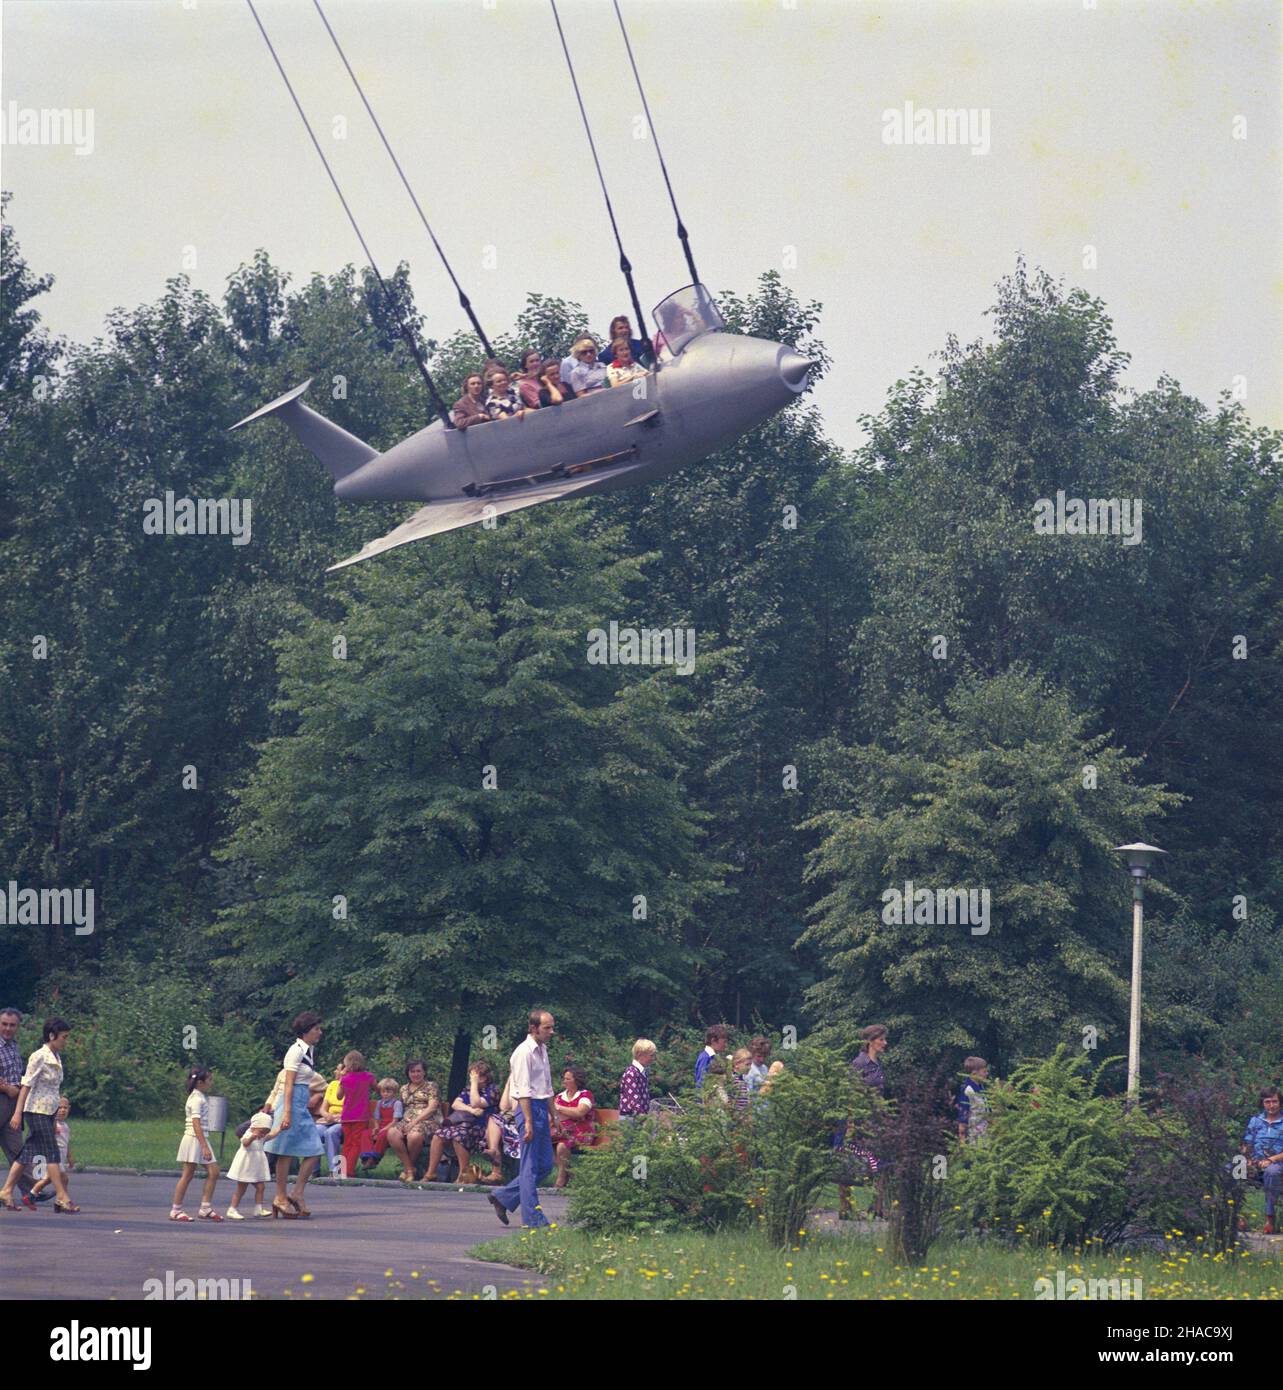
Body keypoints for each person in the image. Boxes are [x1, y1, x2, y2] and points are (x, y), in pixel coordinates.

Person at [0, 1016, 78, 1213]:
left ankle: (6, 1190)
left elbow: (52, 1088)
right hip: (36, 1111)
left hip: (49, 1111)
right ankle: (62, 1197)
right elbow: (26, 1085)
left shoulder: (56, 1057)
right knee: (51, 1152)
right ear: (52, 1036)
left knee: (26, 1153)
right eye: (64, 1037)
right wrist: (17, 1113)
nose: (66, 1041)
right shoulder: (39, 1056)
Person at [489, 1010, 556, 1228]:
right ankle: (533, 1218)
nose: (551, 1032)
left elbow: (546, 1088)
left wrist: (554, 1115)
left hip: (540, 1108)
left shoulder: (542, 1050)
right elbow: (523, 1091)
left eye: (552, 1027)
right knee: (529, 1167)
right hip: (527, 1109)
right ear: (533, 1028)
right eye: (547, 1028)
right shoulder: (523, 1053)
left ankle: (503, 1196)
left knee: (545, 1165)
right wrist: (527, 1121)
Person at [263, 1011, 326, 1219]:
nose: (320, 1032)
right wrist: (287, 1112)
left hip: (301, 1100)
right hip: (290, 1102)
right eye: (316, 1028)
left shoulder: (309, 1050)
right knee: (285, 1150)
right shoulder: (295, 1051)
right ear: (306, 1030)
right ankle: (280, 1197)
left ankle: (297, 1193)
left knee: (315, 1148)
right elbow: (288, 1083)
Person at [837, 1024, 888, 1221]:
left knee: (881, 1162)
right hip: (859, 1120)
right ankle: (845, 1207)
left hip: (875, 1119)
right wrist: (850, 1122)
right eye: (881, 1039)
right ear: (870, 1041)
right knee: (850, 1162)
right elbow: (850, 1093)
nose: (885, 1043)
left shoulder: (877, 1065)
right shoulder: (859, 1063)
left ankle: (877, 1206)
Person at [427, 1060, 499, 1182]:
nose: (472, 1078)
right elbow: (455, 1104)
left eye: (475, 1075)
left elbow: (476, 1102)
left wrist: (474, 1085)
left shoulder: (492, 1090)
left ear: (485, 1077)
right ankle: (431, 1173)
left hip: (483, 1128)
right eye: (472, 1075)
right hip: (464, 1124)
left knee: (458, 1135)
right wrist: (471, 1110)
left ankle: (464, 1175)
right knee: (438, 1135)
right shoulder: (467, 1089)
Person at [171, 1066, 222, 1221]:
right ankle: (175, 1210)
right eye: (209, 1080)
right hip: (194, 1139)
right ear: (200, 1082)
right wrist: (204, 1146)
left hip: (200, 1139)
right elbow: (196, 1124)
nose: (211, 1083)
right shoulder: (196, 1099)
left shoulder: (199, 1097)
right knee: (187, 1174)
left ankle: (205, 1208)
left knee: (214, 1172)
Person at [385, 1058, 442, 1184]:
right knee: (392, 1133)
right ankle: (410, 1169)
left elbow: (432, 1108)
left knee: (414, 1136)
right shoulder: (404, 1088)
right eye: (412, 1071)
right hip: (407, 1121)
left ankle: (407, 1170)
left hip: (428, 1121)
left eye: (418, 1071)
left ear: (424, 1072)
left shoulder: (431, 1086)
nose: (415, 1074)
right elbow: (401, 1107)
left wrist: (414, 1122)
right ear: (408, 1073)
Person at [0, 1007, 34, 1204]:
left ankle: (32, 1190)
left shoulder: (13, 1046)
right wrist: (7, 1089)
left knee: (16, 1147)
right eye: (4, 1024)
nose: (7, 1028)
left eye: (12, 1025)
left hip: (12, 1105)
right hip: (3, 1097)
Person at [1242, 1086, 1283, 1235]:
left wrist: (1271, 1159)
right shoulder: (1255, 1121)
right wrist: (1247, 1158)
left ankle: (1270, 1218)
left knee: (1272, 1172)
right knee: (1233, 1169)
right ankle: (1240, 1215)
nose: (1271, 1105)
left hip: (1278, 1162)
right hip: (1256, 1160)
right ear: (1263, 1103)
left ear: (1280, 1103)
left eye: (1274, 1101)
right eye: (1267, 1102)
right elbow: (1246, 1143)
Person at [226, 1107, 276, 1220]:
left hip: (255, 1166)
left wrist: (280, 1129)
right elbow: (245, 1143)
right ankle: (232, 1209)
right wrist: (252, 1137)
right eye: (262, 1131)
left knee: (261, 1187)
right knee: (241, 1189)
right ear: (254, 1126)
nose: (263, 1134)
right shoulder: (249, 1134)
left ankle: (258, 1209)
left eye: (265, 1132)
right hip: (246, 1166)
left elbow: (271, 1135)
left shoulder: (261, 1136)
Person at [552, 1065, 595, 1188]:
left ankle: (561, 1178)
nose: (564, 1081)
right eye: (564, 1078)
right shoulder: (560, 1096)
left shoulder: (585, 1095)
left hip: (582, 1132)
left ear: (577, 1080)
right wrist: (564, 1113)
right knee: (547, 1142)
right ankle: (569, 1172)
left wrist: (559, 1108)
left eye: (568, 1079)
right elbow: (555, 1115)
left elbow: (579, 1112)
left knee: (561, 1145)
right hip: (563, 1130)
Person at [338, 1050, 376, 1180]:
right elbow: (378, 1089)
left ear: (347, 1064)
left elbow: (339, 1096)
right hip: (361, 1115)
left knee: (347, 1143)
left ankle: (341, 1170)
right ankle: (349, 1171)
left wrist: (340, 1078)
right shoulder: (368, 1076)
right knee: (356, 1143)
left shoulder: (345, 1078)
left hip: (346, 1116)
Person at [29, 1096, 72, 1203]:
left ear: (69, 1109)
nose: (62, 1110)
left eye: (65, 1108)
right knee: (62, 1179)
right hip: (53, 1159)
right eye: (59, 1108)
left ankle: (33, 1194)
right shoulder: (52, 1125)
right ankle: (62, 1200)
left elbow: (66, 1143)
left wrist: (70, 1156)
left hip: (61, 1158)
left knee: (52, 1179)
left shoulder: (66, 1126)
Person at [361, 1078, 403, 1172]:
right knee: (366, 1133)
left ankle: (374, 1159)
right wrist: (376, 1127)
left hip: (393, 1127)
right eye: (383, 1091)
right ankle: (366, 1157)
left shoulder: (397, 1103)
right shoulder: (380, 1103)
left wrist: (382, 1130)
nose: (385, 1094)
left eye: (389, 1091)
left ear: (394, 1092)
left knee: (382, 1135)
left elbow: (395, 1121)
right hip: (381, 1126)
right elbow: (377, 1118)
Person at [316, 1060, 346, 1177]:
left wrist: (336, 1117)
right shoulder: (332, 1085)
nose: (335, 1071)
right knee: (315, 1131)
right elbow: (323, 1108)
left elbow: (352, 1109)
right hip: (329, 1119)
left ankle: (335, 1171)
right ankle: (313, 1170)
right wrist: (326, 1115)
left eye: (338, 1069)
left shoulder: (351, 1085)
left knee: (331, 1133)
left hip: (343, 1120)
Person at [955, 1056, 990, 1144]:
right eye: (984, 1071)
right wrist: (963, 1143)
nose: (987, 1074)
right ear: (974, 1073)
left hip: (985, 1136)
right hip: (973, 1139)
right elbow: (963, 1118)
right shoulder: (967, 1090)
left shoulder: (981, 1088)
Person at [619, 1039, 656, 1118]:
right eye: (651, 1055)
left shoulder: (642, 1072)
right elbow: (632, 1097)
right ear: (640, 1054)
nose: (653, 1058)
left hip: (640, 1115)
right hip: (631, 1116)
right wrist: (642, 1115)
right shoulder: (632, 1073)